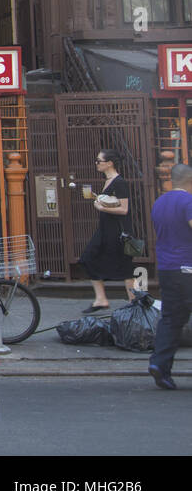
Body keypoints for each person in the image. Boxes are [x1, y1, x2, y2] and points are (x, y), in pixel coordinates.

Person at [148, 163, 192, 389]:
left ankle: (159, 365)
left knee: (171, 319)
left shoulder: (159, 203)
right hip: (188, 268)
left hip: (166, 269)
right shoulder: (188, 202)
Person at [80, 148, 136, 313]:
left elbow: (124, 209)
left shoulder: (119, 182)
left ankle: (133, 301)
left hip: (118, 231)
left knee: (125, 266)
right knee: (88, 258)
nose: (96, 163)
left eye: (99, 161)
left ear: (109, 163)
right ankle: (101, 299)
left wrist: (100, 207)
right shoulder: (108, 181)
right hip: (105, 229)